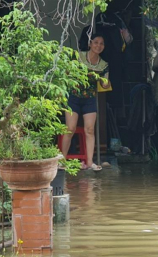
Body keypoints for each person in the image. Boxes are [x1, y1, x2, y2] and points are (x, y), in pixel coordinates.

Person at [61, 34, 110, 171]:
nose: (98, 46)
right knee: (69, 129)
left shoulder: (103, 65)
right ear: (90, 44)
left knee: (89, 130)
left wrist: (105, 82)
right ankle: (62, 161)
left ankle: (89, 162)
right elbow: (66, 72)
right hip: (73, 96)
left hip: (90, 98)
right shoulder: (77, 56)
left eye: (101, 44)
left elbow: (105, 82)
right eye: (96, 42)